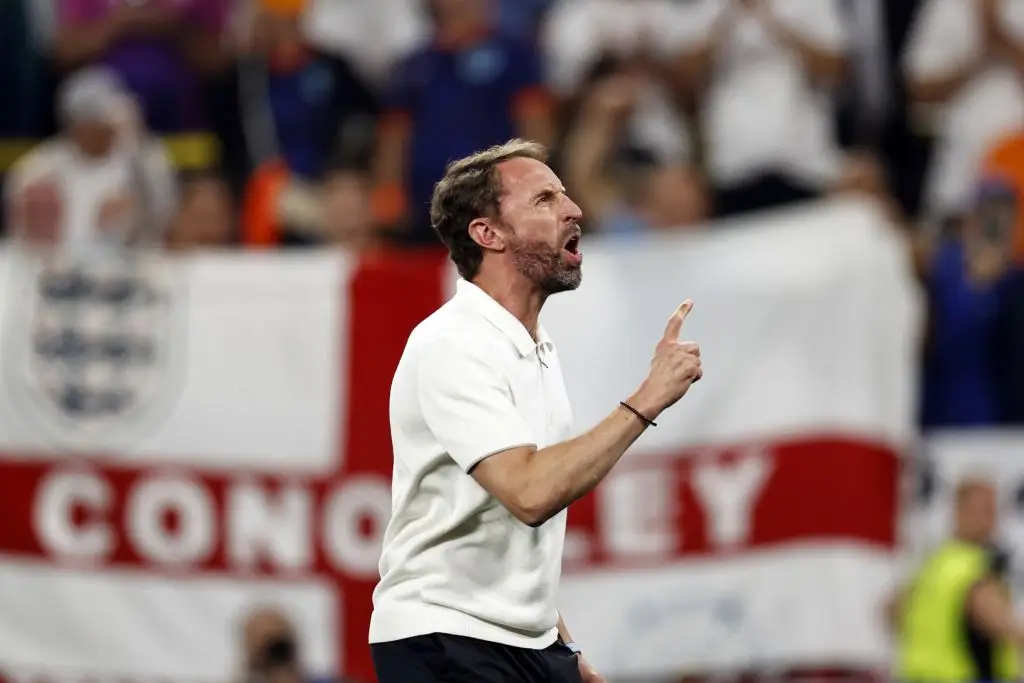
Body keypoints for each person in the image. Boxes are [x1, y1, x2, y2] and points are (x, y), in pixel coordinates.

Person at [368, 138, 703, 683]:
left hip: (524, 644)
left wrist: (564, 651)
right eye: (545, 199)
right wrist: (649, 397)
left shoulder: (535, 348)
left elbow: (516, 536)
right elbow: (528, 494)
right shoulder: (452, 343)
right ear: (488, 234)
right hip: (445, 641)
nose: (573, 210)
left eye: (566, 196)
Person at [890, 477, 1023, 682]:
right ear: (961, 510)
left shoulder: (934, 563)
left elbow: (893, 610)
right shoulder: (973, 566)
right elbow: (998, 619)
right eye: (986, 510)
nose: (992, 520)